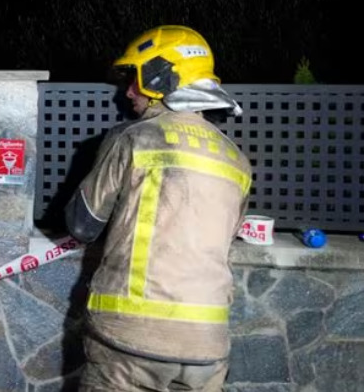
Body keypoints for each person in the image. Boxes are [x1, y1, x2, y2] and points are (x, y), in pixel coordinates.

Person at [64, 25, 252, 392]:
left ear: (159, 78)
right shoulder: (237, 160)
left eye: (134, 79)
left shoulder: (134, 137)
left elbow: (82, 225)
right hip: (207, 348)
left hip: (130, 340)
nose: (128, 91)